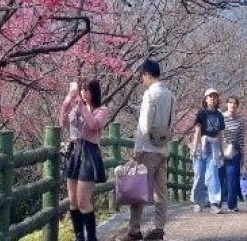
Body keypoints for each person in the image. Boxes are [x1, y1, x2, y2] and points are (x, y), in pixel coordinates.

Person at [115, 60, 176, 241]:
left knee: (138, 189)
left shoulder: (150, 95)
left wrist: (138, 148)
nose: (141, 80)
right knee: (161, 192)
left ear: (148, 75)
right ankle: (159, 230)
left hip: (148, 149)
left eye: (142, 76)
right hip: (163, 149)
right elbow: (171, 124)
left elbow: (144, 125)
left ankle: (134, 231)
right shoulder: (170, 96)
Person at [61, 79, 110, 241]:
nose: (83, 93)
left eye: (87, 90)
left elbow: (94, 124)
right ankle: (79, 237)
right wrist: (67, 103)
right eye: (81, 90)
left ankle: (91, 238)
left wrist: (81, 107)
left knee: (83, 201)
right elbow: (64, 124)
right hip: (75, 152)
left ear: (94, 92)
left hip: (90, 153)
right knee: (73, 201)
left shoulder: (102, 110)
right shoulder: (77, 109)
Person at [190, 89, 224, 213]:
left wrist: (222, 151)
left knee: (213, 174)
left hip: (214, 147)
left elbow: (220, 134)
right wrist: (195, 148)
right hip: (201, 145)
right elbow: (197, 131)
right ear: (205, 98)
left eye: (215, 97)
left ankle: (214, 202)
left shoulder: (219, 114)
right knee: (199, 174)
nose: (212, 99)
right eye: (210, 97)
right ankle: (197, 202)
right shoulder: (201, 113)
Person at [219, 95, 246, 213]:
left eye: (235, 103)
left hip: (234, 151)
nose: (232, 105)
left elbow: (241, 138)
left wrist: (242, 154)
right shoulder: (221, 117)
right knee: (219, 177)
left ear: (237, 106)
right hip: (221, 150)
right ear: (227, 104)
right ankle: (216, 203)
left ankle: (232, 204)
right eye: (230, 103)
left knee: (233, 178)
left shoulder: (240, 120)